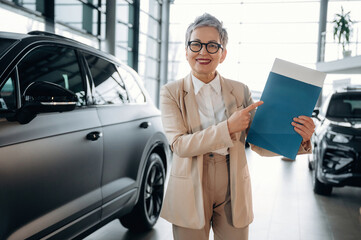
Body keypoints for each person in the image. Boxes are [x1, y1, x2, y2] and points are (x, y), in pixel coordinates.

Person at [159, 13, 314, 240]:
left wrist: (300, 139)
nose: (203, 52)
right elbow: (179, 145)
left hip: (233, 184)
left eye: (212, 46)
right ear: (186, 51)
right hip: (190, 186)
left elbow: (259, 143)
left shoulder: (240, 90)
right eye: (196, 44)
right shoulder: (171, 92)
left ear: (223, 54)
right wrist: (228, 128)